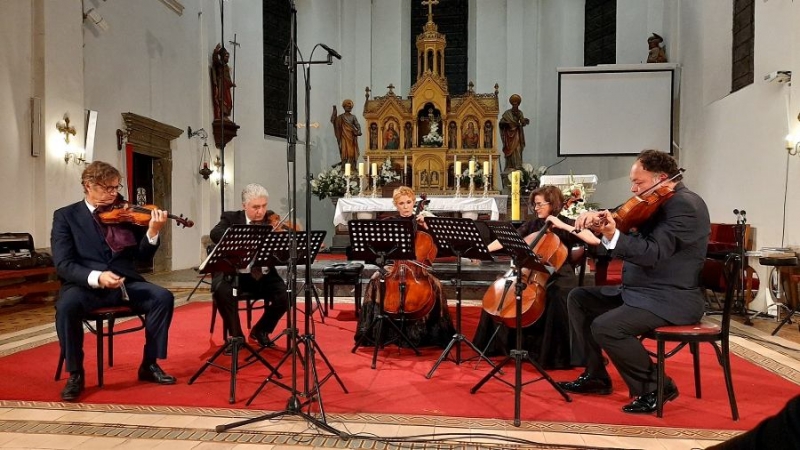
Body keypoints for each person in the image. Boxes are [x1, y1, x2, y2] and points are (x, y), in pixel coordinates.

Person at [558, 149, 710, 415]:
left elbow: (653, 253)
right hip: (641, 292)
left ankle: (656, 386)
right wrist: (600, 222)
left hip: (670, 298)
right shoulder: (654, 202)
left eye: (638, 183)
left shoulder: (684, 205)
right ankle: (596, 376)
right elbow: (621, 222)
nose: (633, 189)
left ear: (662, 178)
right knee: (579, 298)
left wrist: (614, 233)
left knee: (606, 327)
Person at [51, 161, 176, 402]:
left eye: (116, 187)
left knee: (162, 296)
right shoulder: (66, 216)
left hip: (124, 283)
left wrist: (152, 232)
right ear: (88, 186)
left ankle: (149, 364)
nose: (114, 194)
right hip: (85, 286)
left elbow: (142, 257)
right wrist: (97, 277)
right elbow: (64, 264)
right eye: (107, 188)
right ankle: (76, 373)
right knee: (66, 307)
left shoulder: (124, 213)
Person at [472, 185, 599, 369]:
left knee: (556, 296)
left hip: (560, 275)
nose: (536, 208)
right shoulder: (532, 225)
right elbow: (508, 240)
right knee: (500, 293)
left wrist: (562, 225)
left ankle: (553, 355)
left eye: (539, 204)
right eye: (534, 204)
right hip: (531, 274)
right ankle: (500, 345)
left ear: (553, 204)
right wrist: (482, 250)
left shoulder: (566, 223)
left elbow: (592, 240)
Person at [354, 186, 456, 348]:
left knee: (436, 285)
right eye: (401, 203)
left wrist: (429, 227)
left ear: (414, 203)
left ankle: (433, 332)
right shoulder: (388, 224)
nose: (406, 206)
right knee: (374, 279)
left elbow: (444, 246)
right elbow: (376, 250)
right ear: (396, 205)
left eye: (409, 202)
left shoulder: (422, 224)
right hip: (393, 267)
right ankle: (377, 330)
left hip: (417, 270)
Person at [210, 183, 289, 348]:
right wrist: (243, 238)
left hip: (264, 275)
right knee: (221, 290)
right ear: (244, 205)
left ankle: (261, 330)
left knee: (286, 295)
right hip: (236, 274)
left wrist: (283, 241)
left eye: (264, 206)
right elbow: (215, 234)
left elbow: (284, 254)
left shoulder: (270, 220)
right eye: (255, 207)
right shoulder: (231, 218)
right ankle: (237, 337)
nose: (261, 211)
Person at [499, 94, 530, 172]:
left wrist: (525, 121)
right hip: (509, 136)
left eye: (516, 104)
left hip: (517, 134)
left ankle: (518, 165)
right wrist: (508, 123)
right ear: (512, 104)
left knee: (518, 149)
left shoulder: (520, 113)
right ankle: (510, 165)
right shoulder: (507, 113)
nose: (515, 106)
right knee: (510, 152)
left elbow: (522, 122)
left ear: (518, 104)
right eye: (514, 104)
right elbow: (501, 123)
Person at [331, 99, 362, 166]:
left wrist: (359, 130)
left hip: (351, 137)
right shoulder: (341, 117)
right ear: (344, 107)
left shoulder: (353, 117)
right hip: (343, 137)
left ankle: (352, 165)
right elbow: (334, 122)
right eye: (347, 106)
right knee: (344, 151)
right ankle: (344, 164)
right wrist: (334, 112)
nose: (349, 108)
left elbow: (357, 124)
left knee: (351, 152)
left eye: (350, 107)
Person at [211, 43, 235, 121]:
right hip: (221, 85)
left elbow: (228, 77)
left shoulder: (227, 67)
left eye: (228, 57)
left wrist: (231, 83)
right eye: (226, 57)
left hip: (226, 87)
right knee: (222, 99)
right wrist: (216, 51)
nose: (228, 58)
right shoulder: (219, 64)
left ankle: (225, 114)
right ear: (222, 57)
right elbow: (215, 60)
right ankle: (222, 113)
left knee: (229, 101)